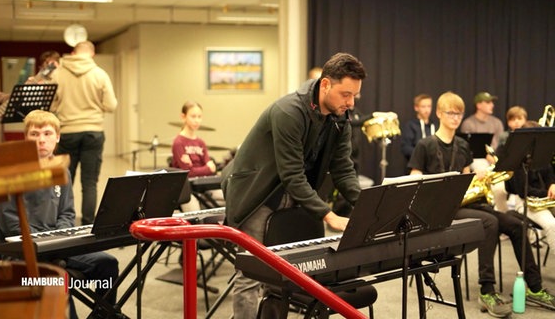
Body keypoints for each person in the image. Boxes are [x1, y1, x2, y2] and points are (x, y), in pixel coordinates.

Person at [222, 52, 366, 318]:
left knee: (288, 274)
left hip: (293, 194)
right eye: (346, 94)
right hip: (258, 194)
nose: (351, 102)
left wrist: (368, 207)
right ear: (325, 85)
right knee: (252, 274)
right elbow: (292, 175)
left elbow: (344, 169)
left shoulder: (340, 117)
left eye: (355, 95)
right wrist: (329, 215)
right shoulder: (288, 111)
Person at [408, 91, 555, 317]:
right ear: (439, 113)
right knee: (489, 222)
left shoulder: (462, 145)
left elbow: (466, 179)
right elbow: (414, 180)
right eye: (450, 113)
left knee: (517, 224)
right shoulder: (425, 145)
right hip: (439, 211)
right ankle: (487, 290)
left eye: (459, 113)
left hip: (465, 203)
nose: (456, 117)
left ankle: (534, 287)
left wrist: (478, 178)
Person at [0, 110, 119, 319]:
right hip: (22, 252)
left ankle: (102, 316)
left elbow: (67, 214)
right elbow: (10, 226)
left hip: (56, 246)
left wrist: (58, 242)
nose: (41, 140)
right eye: (34, 134)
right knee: (58, 278)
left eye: (47, 133)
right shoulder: (12, 172)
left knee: (108, 265)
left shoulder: (62, 171)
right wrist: (45, 245)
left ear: (58, 137)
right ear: (26, 137)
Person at [50, 40, 118, 225]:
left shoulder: (58, 73)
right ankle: (88, 224)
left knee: (64, 180)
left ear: (73, 53)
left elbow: (52, 104)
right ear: (92, 54)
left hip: (68, 132)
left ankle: (63, 223)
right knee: (89, 183)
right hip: (93, 132)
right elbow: (111, 105)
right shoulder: (99, 74)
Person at [501, 120, 555, 255]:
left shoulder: (542, 156)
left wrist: (553, 185)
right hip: (526, 202)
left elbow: (550, 175)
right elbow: (524, 191)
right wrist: (547, 194)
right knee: (552, 225)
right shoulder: (517, 160)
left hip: (544, 199)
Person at [171, 100, 222, 211]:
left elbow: (212, 169)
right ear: (183, 117)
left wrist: (204, 169)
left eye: (199, 117)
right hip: (187, 189)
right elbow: (188, 173)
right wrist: (206, 168)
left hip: (204, 185)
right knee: (195, 214)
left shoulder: (201, 142)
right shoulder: (178, 142)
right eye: (193, 116)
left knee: (228, 198)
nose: (197, 120)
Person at [400, 93, 438, 163]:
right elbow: (406, 148)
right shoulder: (411, 125)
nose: (427, 110)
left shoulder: (435, 125)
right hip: (416, 164)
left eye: (429, 106)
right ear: (416, 108)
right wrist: (422, 154)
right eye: (423, 107)